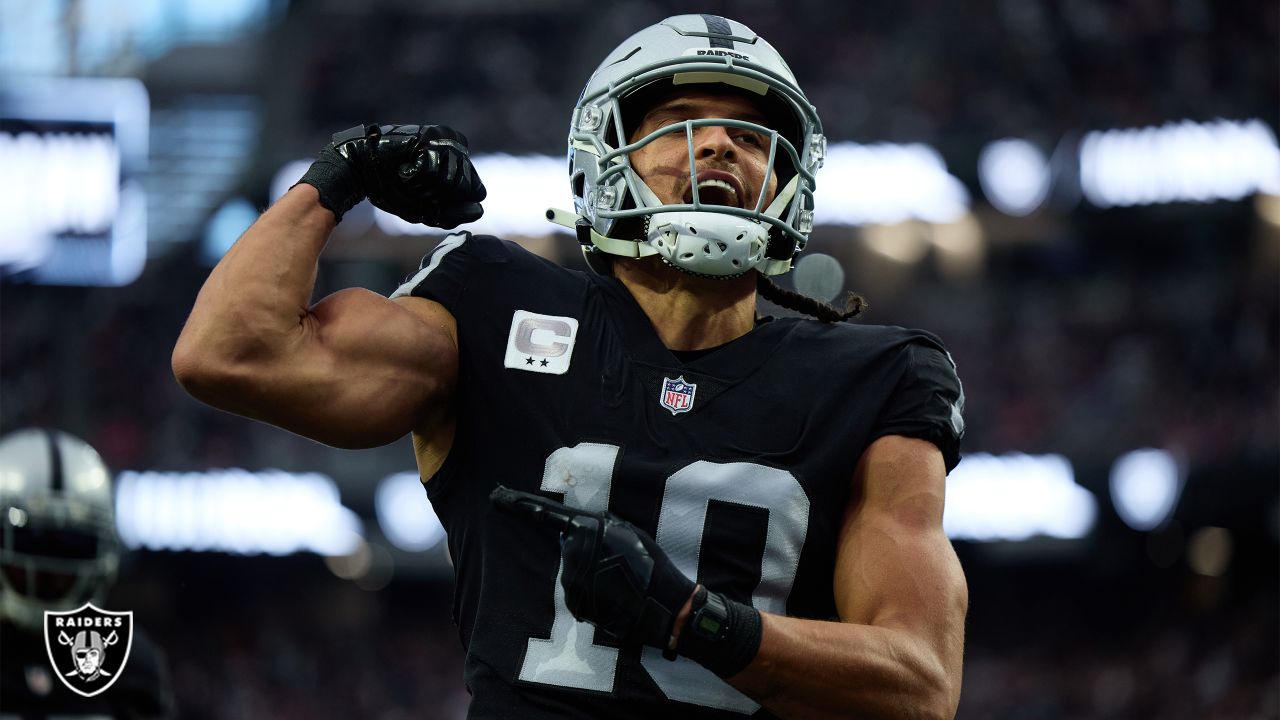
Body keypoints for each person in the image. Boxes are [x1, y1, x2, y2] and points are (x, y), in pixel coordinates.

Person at [172, 14, 968, 719]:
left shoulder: (878, 376)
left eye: (754, 136)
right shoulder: (491, 301)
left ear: (789, 182)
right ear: (605, 157)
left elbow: (920, 682)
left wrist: (693, 618)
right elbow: (230, 353)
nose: (722, 143)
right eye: (680, 122)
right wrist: (338, 176)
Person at [0, 428, 174, 719]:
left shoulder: (130, 666)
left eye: (71, 546)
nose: (47, 572)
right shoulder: (129, 663)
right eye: (31, 542)